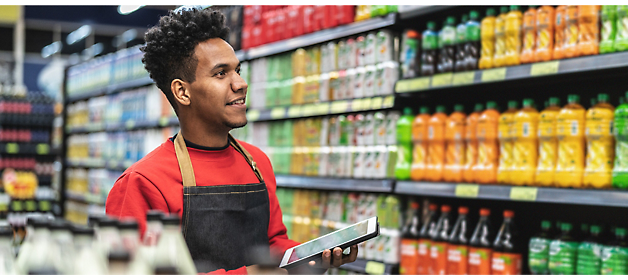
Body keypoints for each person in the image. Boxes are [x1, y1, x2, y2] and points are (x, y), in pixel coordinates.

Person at [104, 6, 358, 275]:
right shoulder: (143, 182)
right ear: (182, 91)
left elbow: (272, 243)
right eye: (221, 73)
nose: (241, 83)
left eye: (238, 70)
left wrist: (311, 255)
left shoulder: (256, 162)